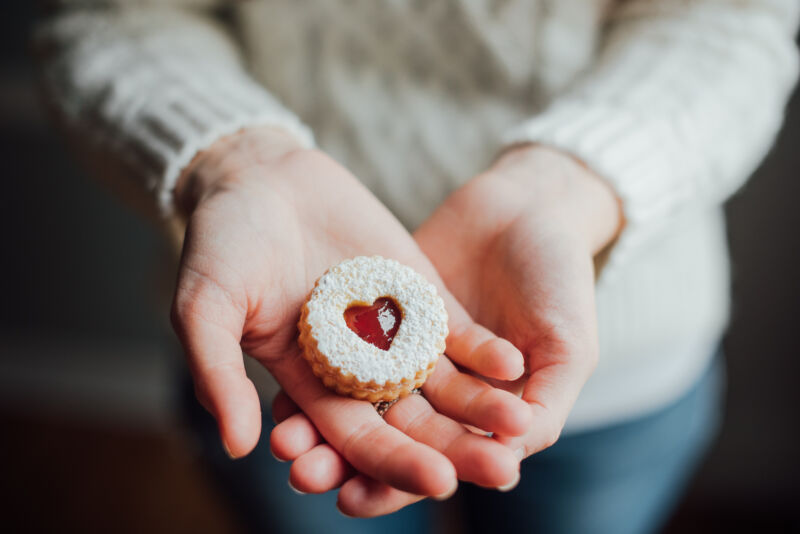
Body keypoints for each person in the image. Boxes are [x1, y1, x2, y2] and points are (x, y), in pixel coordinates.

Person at [35, 1, 799, 532]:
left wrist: (573, 182)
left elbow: (734, 21)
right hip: (271, 336)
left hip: (623, 353)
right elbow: (111, 16)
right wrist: (234, 159)